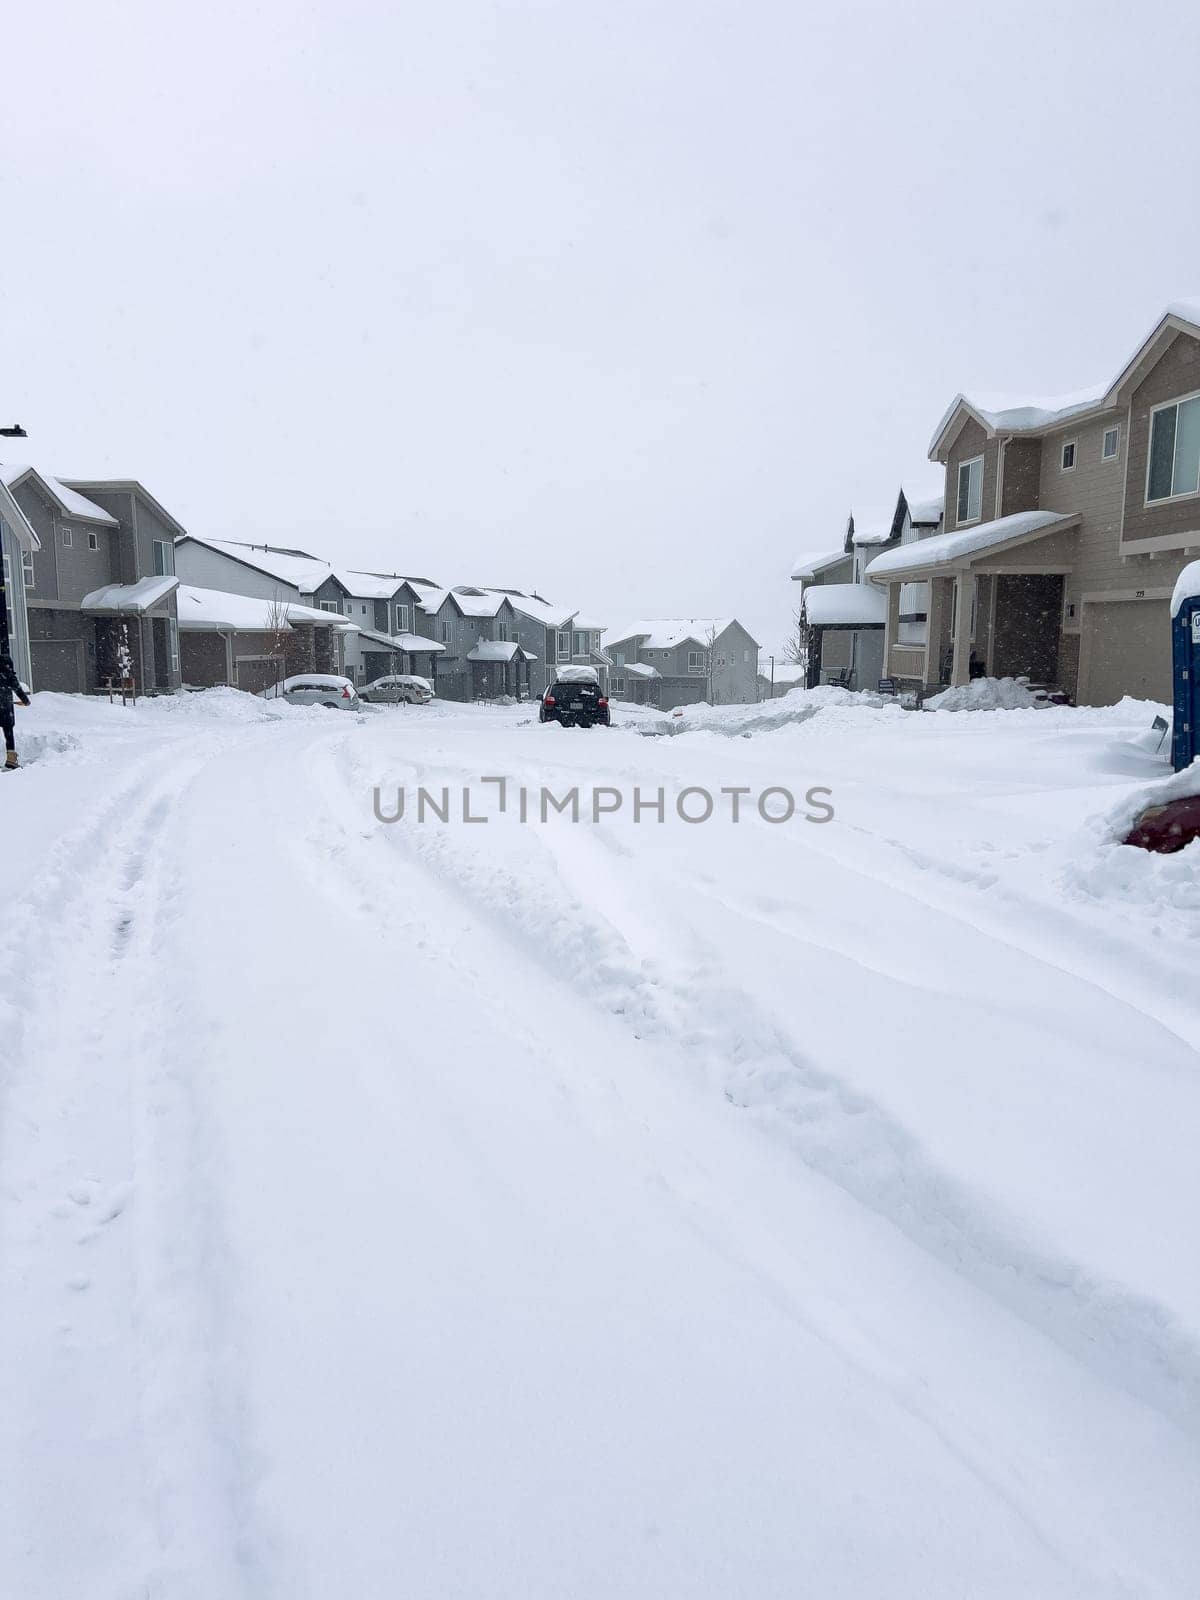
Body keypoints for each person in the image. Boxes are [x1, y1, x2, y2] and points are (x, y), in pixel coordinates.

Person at [0, 653, 31, 770]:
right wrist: (26, 701)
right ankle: (11, 760)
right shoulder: (9, 675)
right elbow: (18, 689)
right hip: (5, 709)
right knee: (8, 733)